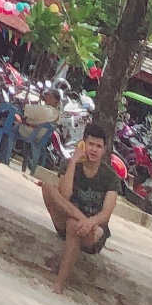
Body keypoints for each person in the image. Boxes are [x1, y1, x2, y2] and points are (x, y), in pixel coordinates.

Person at [40, 126, 121, 294]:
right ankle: (80, 219)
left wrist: (91, 223)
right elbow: (64, 195)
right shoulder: (70, 165)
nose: (94, 150)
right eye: (90, 144)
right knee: (48, 188)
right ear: (83, 144)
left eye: (98, 146)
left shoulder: (111, 177)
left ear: (104, 150)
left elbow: (106, 213)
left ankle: (58, 285)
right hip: (69, 217)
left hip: (93, 232)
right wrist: (74, 162)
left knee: (73, 225)